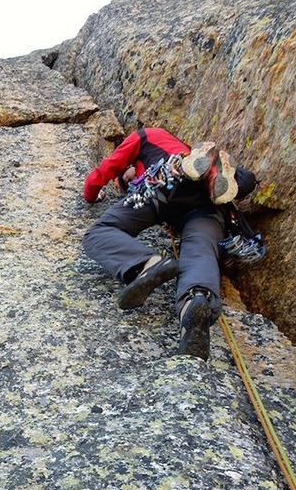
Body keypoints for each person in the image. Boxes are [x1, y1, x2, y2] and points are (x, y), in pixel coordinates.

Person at [82, 127, 254, 361]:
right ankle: (195, 304)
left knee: (98, 233)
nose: (129, 179)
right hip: (208, 206)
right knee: (200, 249)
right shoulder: (177, 145)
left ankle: (146, 265)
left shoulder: (146, 135)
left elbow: (107, 168)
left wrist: (90, 193)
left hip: (164, 180)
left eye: (127, 177)